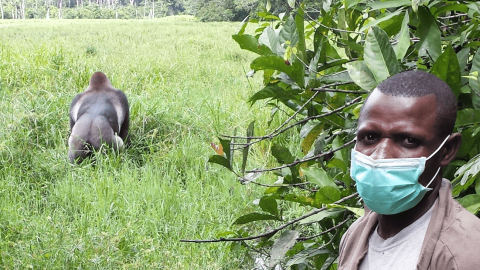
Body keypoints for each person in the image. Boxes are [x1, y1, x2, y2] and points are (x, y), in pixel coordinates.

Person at [338, 70, 480, 270]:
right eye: (370, 137)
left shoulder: (466, 255)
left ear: (446, 151)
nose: (380, 157)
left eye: (408, 141)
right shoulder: (356, 234)